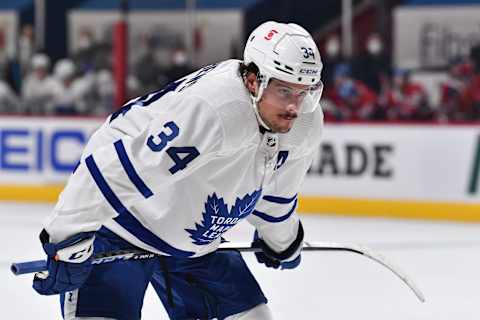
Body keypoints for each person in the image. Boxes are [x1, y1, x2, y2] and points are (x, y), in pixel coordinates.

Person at [32, 21, 324, 320]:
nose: (295, 107)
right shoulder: (215, 109)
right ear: (253, 80)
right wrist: (66, 240)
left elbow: (274, 196)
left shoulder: (305, 122)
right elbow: (114, 171)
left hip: (195, 244)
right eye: (285, 90)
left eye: (305, 92)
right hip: (121, 227)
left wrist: (282, 241)